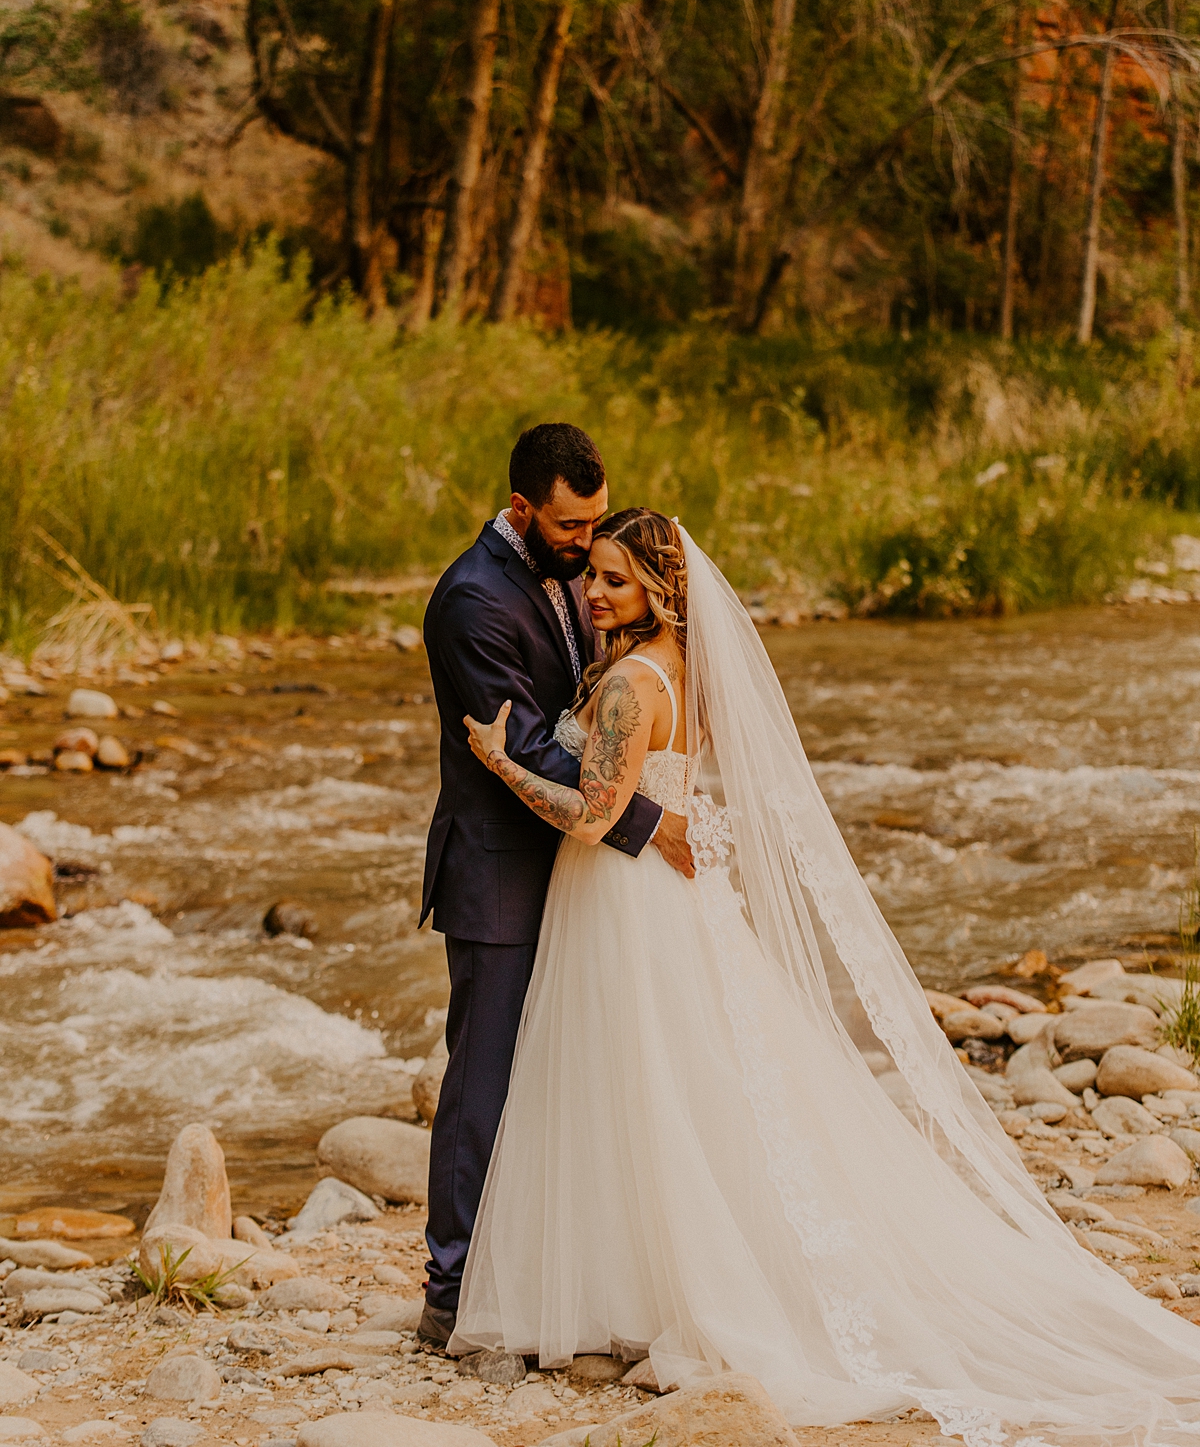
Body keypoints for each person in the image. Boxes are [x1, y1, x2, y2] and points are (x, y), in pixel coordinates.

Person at [454, 507, 1200, 1445]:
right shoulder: (687, 672)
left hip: (625, 899)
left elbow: (598, 817)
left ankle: (678, 1287)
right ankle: (648, 1282)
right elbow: (666, 793)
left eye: (613, 579)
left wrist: (498, 761)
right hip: (668, 897)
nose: (593, 593)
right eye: (593, 576)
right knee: (685, 1087)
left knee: (649, 1084)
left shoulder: (632, 686)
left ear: (657, 589)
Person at [418, 427, 692, 1347]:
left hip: (584, 873)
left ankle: (568, 1274)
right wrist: (654, 824)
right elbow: (528, 745)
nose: (586, 547)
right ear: (524, 509)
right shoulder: (469, 601)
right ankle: (452, 1288)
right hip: (502, 867)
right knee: (485, 1079)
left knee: (586, 1074)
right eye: (571, 529)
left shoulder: (580, 567)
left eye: (592, 527)